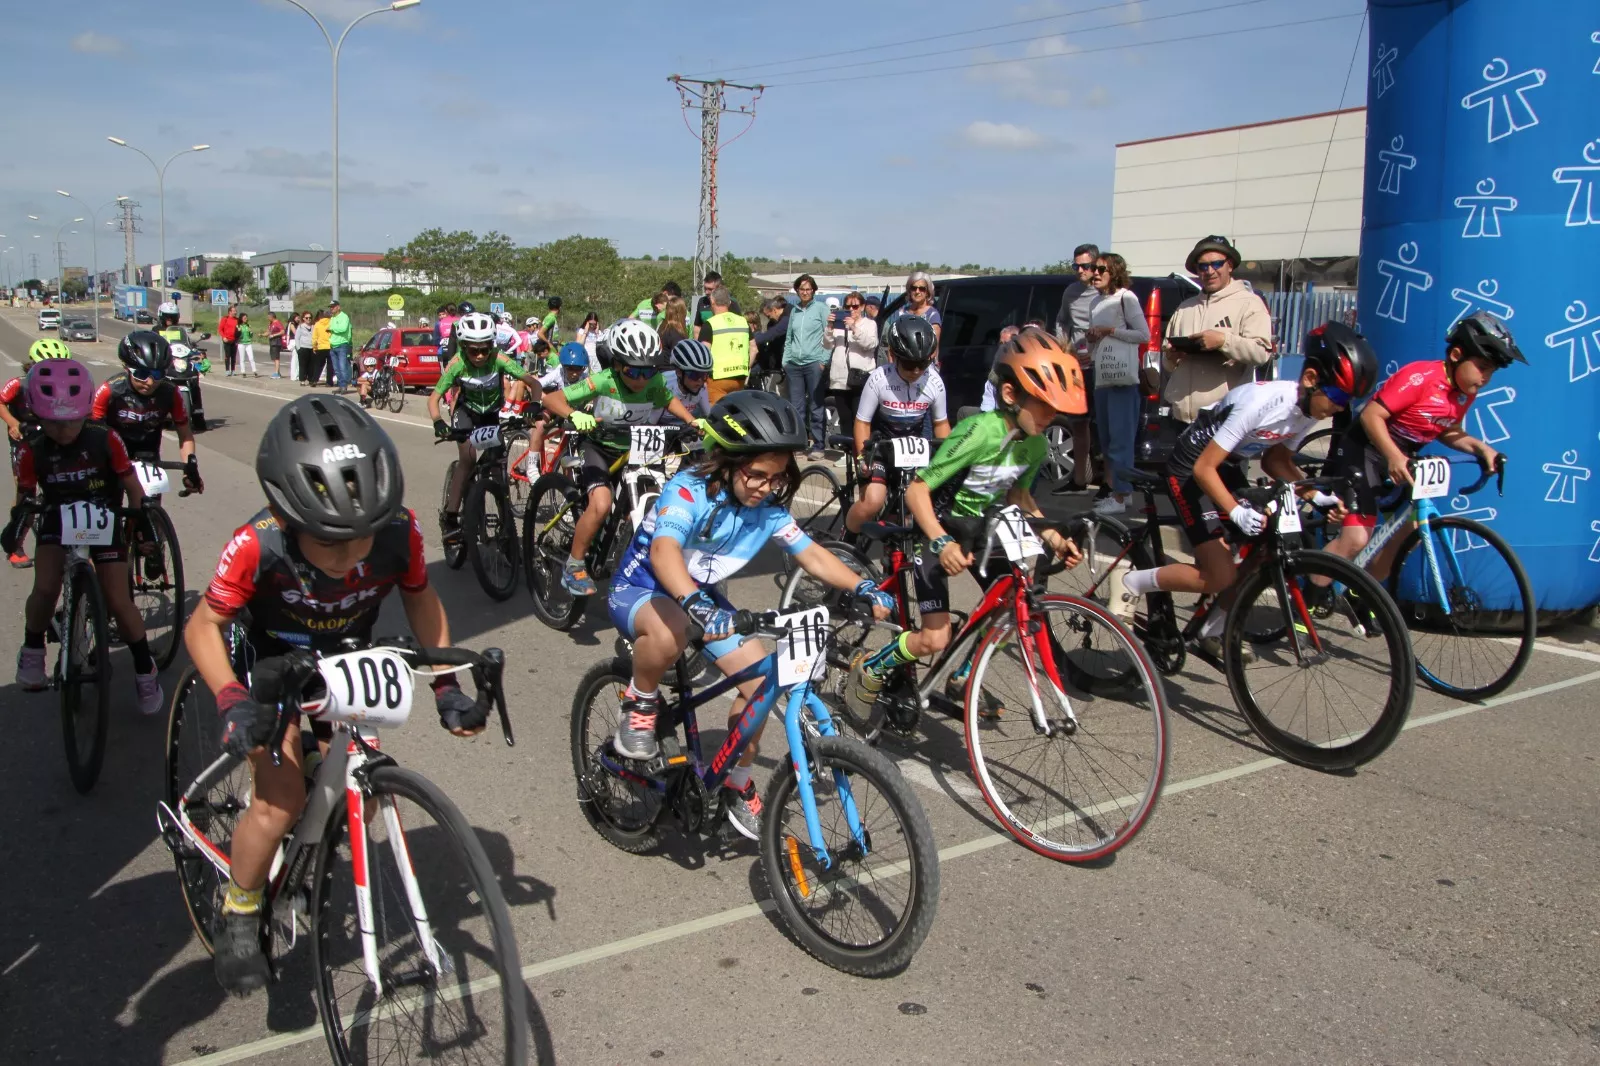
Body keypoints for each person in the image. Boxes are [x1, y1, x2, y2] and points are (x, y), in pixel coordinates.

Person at [183, 394, 488, 995]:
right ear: (289, 517)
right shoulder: (258, 543)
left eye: (363, 539)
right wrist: (228, 698)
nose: (352, 559)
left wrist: (448, 684)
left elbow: (421, 598)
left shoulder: (399, 529)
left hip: (346, 656)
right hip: (270, 659)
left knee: (361, 800)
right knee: (277, 801)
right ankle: (240, 908)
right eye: (330, 543)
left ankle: (304, 849)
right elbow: (202, 626)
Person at [606, 389, 893, 837]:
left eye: (776, 477)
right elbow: (664, 553)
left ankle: (736, 783)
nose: (766, 486)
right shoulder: (687, 490)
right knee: (673, 631)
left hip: (700, 598)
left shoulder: (769, 509)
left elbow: (812, 555)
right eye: (757, 474)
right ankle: (638, 705)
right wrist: (694, 601)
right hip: (644, 587)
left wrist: (862, 584)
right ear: (725, 459)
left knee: (761, 685)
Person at [847, 329, 1085, 713]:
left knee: (1017, 594)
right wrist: (940, 541)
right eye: (1044, 404)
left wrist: (1054, 537)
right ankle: (873, 667)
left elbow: (1019, 497)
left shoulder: (1037, 441)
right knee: (934, 639)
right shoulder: (980, 432)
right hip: (939, 528)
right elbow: (917, 492)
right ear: (1011, 395)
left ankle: (965, 673)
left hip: (982, 531)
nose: (1052, 416)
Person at [1117, 321, 1378, 660]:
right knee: (1219, 573)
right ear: (1311, 379)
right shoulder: (1261, 402)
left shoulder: (1308, 409)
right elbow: (1203, 469)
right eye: (1339, 398)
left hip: (1225, 464)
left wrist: (1313, 493)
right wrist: (1237, 511)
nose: (1341, 408)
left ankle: (1211, 631)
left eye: (1348, 401)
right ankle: (1134, 583)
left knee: (1265, 548)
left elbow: (1276, 461)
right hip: (1191, 466)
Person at [2, 359, 163, 713]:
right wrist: (17, 526)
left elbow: (132, 488)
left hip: (104, 517)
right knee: (45, 586)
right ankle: (32, 650)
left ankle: (143, 668)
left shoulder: (105, 439)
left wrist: (138, 527)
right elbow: (27, 496)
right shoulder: (32, 449)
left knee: (119, 601)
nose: (64, 431)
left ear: (85, 411)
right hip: (58, 518)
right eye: (54, 423)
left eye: (73, 420)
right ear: (37, 416)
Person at [1320, 312, 1519, 580]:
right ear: (1457, 355)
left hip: (1401, 458)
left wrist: (1480, 448)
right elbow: (1371, 415)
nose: (1485, 378)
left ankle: (1365, 594)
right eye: (1482, 368)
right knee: (1356, 539)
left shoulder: (1463, 393)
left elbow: (1448, 431)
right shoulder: (1421, 377)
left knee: (1411, 533)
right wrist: (1393, 456)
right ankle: (1308, 601)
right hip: (1365, 450)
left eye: (1491, 372)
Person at [539, 318, 697, 595]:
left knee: (651, 504)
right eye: (632, 372)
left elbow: (667, 398)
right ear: (616, 364)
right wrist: (576, 415)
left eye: (647, 372)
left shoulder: (654, 382)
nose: (641, 379)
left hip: (634, 449)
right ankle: (574, 566)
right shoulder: (604, 380)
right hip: (599, 447)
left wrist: (692, 421)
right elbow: (552, 400)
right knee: (601, 505)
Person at [427, 312, 544, 541]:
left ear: (492, 345)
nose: (480, 355)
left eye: (485, 349)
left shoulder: (499, 359)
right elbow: (433, 399)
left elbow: (534, 383)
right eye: (473, 350)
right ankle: (451, 516)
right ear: (463, 347)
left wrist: (534, 403)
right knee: (468, 460)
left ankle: (505, 522)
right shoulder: (457, 364)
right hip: (465, 413)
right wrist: (438, 421)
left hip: (490, 415)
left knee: (498, 469)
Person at [844, 316, 949, 540]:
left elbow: (941, 426)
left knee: (922, 505)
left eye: (923, 363)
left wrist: (947, 461)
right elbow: (862, 421)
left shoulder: (935, 382)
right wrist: (864, 457)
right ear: (892, 355)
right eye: (909, 364)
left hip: (914, 446)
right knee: (872, 501)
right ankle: (847, 541)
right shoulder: (879, 378)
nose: (916, 370)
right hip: (881, 445)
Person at [1161, 235, 1274, 426]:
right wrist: (1172, 357)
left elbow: (1261, 353)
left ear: (1229, 265)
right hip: (1181, 418)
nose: (1209, 271)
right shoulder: (1184, 308)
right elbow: (1167, 363)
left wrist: (1223, 341)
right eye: (1203, 266)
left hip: (1225, 419)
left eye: (1216, 264)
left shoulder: (1249, 303)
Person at [92, 331, 204, 503]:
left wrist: (189, 468)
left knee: (148, 507)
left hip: (148, 453)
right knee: (110, 507)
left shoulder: (170, 392)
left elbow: (185, 434)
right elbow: (91, 431)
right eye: (142, 374)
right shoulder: (110, 390)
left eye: (157, 374)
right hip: (114, 452)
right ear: (126, 368)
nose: (150, 382)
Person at [1083, 253, 1149, 515]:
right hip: (1103, 374)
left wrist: (1111, 331)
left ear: (1115, 272)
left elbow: (1143, 334)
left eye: (1101, 269)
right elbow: (1092, 344)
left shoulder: (1126, 297)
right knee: (1108, 439)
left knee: (1121, 438)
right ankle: (1119, 492)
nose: (1095, 273)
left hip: (1122, 376)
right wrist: (1091, 338)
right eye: (1093, 269)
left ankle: (1121, 497)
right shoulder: (1095, 302)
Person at [1, 339, 75, 568]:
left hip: (52, 436)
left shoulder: (66, 385)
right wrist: (13, 423)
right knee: (27, 492)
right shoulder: (18, 384)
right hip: (24, 439)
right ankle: (16, 543)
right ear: (32, 365)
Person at [1052, 243, 1101, 494]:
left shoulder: (1108, 292)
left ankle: (1111, 486)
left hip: (1102, 367)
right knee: (1078, 425)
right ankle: (1079, 480)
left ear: (1096, 266)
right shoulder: (1071, 292)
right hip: (1077, 368)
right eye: (1076, 266)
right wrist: (1064, 346)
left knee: (1104, 427)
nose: (1080, 270)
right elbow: (1061, 320)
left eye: (1085, 266)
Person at [524, 343, 593, 475]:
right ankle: (532, 466)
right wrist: (543, 399)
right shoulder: (559, 371)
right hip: (557, 407)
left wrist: (591, 402)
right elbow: (535, 385)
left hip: (572, 413)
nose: (574, 373)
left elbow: (596, 393)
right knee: (541, 425)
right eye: (570, 368)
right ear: (564, 366)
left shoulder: (585, 376)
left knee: (567, 452)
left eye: (578, 369)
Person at [783, 274, 831, 457]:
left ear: (813, 291)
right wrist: (785, 361)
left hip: (813, 363)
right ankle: (800, 443)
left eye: (808, 289)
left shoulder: (821, 309)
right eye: (802, 289)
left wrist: (823, 360)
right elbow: (789, 338)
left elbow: (829, 336)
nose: (805, 292)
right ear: (797, 291)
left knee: (816, 404)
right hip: (794, 364)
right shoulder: (794, 311)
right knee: (796, 406)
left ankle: (818, 445)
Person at [828, 291, 879, 429]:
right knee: (845, 419)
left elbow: (870, 344)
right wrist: (829, 327)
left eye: (855, 306)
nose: (851, 309)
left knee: (860, 419)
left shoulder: (869, 324)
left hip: (860, 378)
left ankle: (861, 450)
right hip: (840, 378)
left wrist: (853, 328)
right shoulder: (839, 325)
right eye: (847, 306)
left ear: (862, 307)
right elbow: (827, 345)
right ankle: (848, 449)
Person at [705, 285, 751, 404]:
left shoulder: (711, 323)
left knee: (716, 415)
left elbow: (704, 351)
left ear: (712, 301)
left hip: (717, 378)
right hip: (740, 376)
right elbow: (754, 348)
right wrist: (746, 366)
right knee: (735, 414)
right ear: (729, 303)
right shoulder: (743, 321)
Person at [886, 271, 943, 356]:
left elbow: (933, 349)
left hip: (923, 366)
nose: (917, 291)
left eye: (922, 288)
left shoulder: (933, 315)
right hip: (901, 365)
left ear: (928, 292)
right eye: (914, 288)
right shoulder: (902, 312)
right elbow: (893, 342)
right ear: (909, 290)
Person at [664, 338, 714, 420]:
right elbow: (649, 425)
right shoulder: (664, 385)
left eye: (704, 375)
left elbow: (709, 417)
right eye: (695, 375)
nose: (700, 381)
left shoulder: (701, 388)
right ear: (679, 372)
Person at [751, 297, 790, 385]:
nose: (769, 318)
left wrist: (749, 340)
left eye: (769, 316)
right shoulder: (773, 323)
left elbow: (771, 334)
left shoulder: (787, 318)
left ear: (774, 310)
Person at [693, 270, 738, 341]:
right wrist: (697, 346)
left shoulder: (732, 303)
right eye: (705, 288)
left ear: (719, 287)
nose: (706, 292)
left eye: (710, 289)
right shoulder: (702, 301)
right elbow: (697, 327)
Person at [327, 299, 353, 393]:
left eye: (333, 307)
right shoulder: (333, 318)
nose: (331, 309)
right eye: (330, 307)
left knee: (342, 366)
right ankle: (340, 384)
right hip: (333, 345)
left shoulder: (344, 317)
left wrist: (332, 328)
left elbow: (343, 328)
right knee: (336, 368)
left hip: (342, 344)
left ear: (338, 307)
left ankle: (344, 385)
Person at [311, 309, 332, 387]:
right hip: (330, 346)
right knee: (330, 365)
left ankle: (314, 380)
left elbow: (314, 337)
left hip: (320, 347)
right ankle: (329, 382)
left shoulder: (317, 324)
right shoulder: (331, 323)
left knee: (318, 365)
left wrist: (314, 347)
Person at [295, 312, 315, 386]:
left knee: (311, 365)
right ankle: (302, 380)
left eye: (310, 318)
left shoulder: (313, 326)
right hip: (303, 348)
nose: (308, 319)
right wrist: (298, 348)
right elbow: (297, 338)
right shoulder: (300, 327)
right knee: (303, 365)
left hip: (312, 348)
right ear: (303, 319)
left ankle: (311, 380)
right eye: (307, 318)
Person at [219, 306, 239, 375]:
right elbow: (220, 329)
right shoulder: (225, 318)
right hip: (227, 340)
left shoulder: (237, 320)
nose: (235, 312)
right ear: (230, 312)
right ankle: (227, 370)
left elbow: (239, 330)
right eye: (234, 311)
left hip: (234, 340)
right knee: (228, 356)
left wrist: (238, 338)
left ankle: (233, 370)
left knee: (234, 356)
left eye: (235, 311)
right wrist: (223, 337)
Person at [235, 313, 257, 377]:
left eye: (246, 318)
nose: (246, 319)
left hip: (248, 343)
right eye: (244, 318)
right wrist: (238, 331)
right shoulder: (238, 326)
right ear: (241, 318)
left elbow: (251, 335)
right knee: (242, 359)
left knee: (251, 358)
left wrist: (251, 332)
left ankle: (254, 371)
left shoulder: (248, 325)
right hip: (241, 343)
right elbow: (236, 335)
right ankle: (243, 372)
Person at [267, 312, 285, 379]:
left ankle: (276, 373)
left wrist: (274, 335)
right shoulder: (270, 324)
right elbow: (268, 332)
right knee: (274, 358)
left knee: (276, 357)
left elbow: (282, 331)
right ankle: (278, 372)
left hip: (276, 342)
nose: (268, 318)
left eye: (269, 317)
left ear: (272, 317)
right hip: (272, 342)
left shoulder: (277, 323)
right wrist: (262, 335)